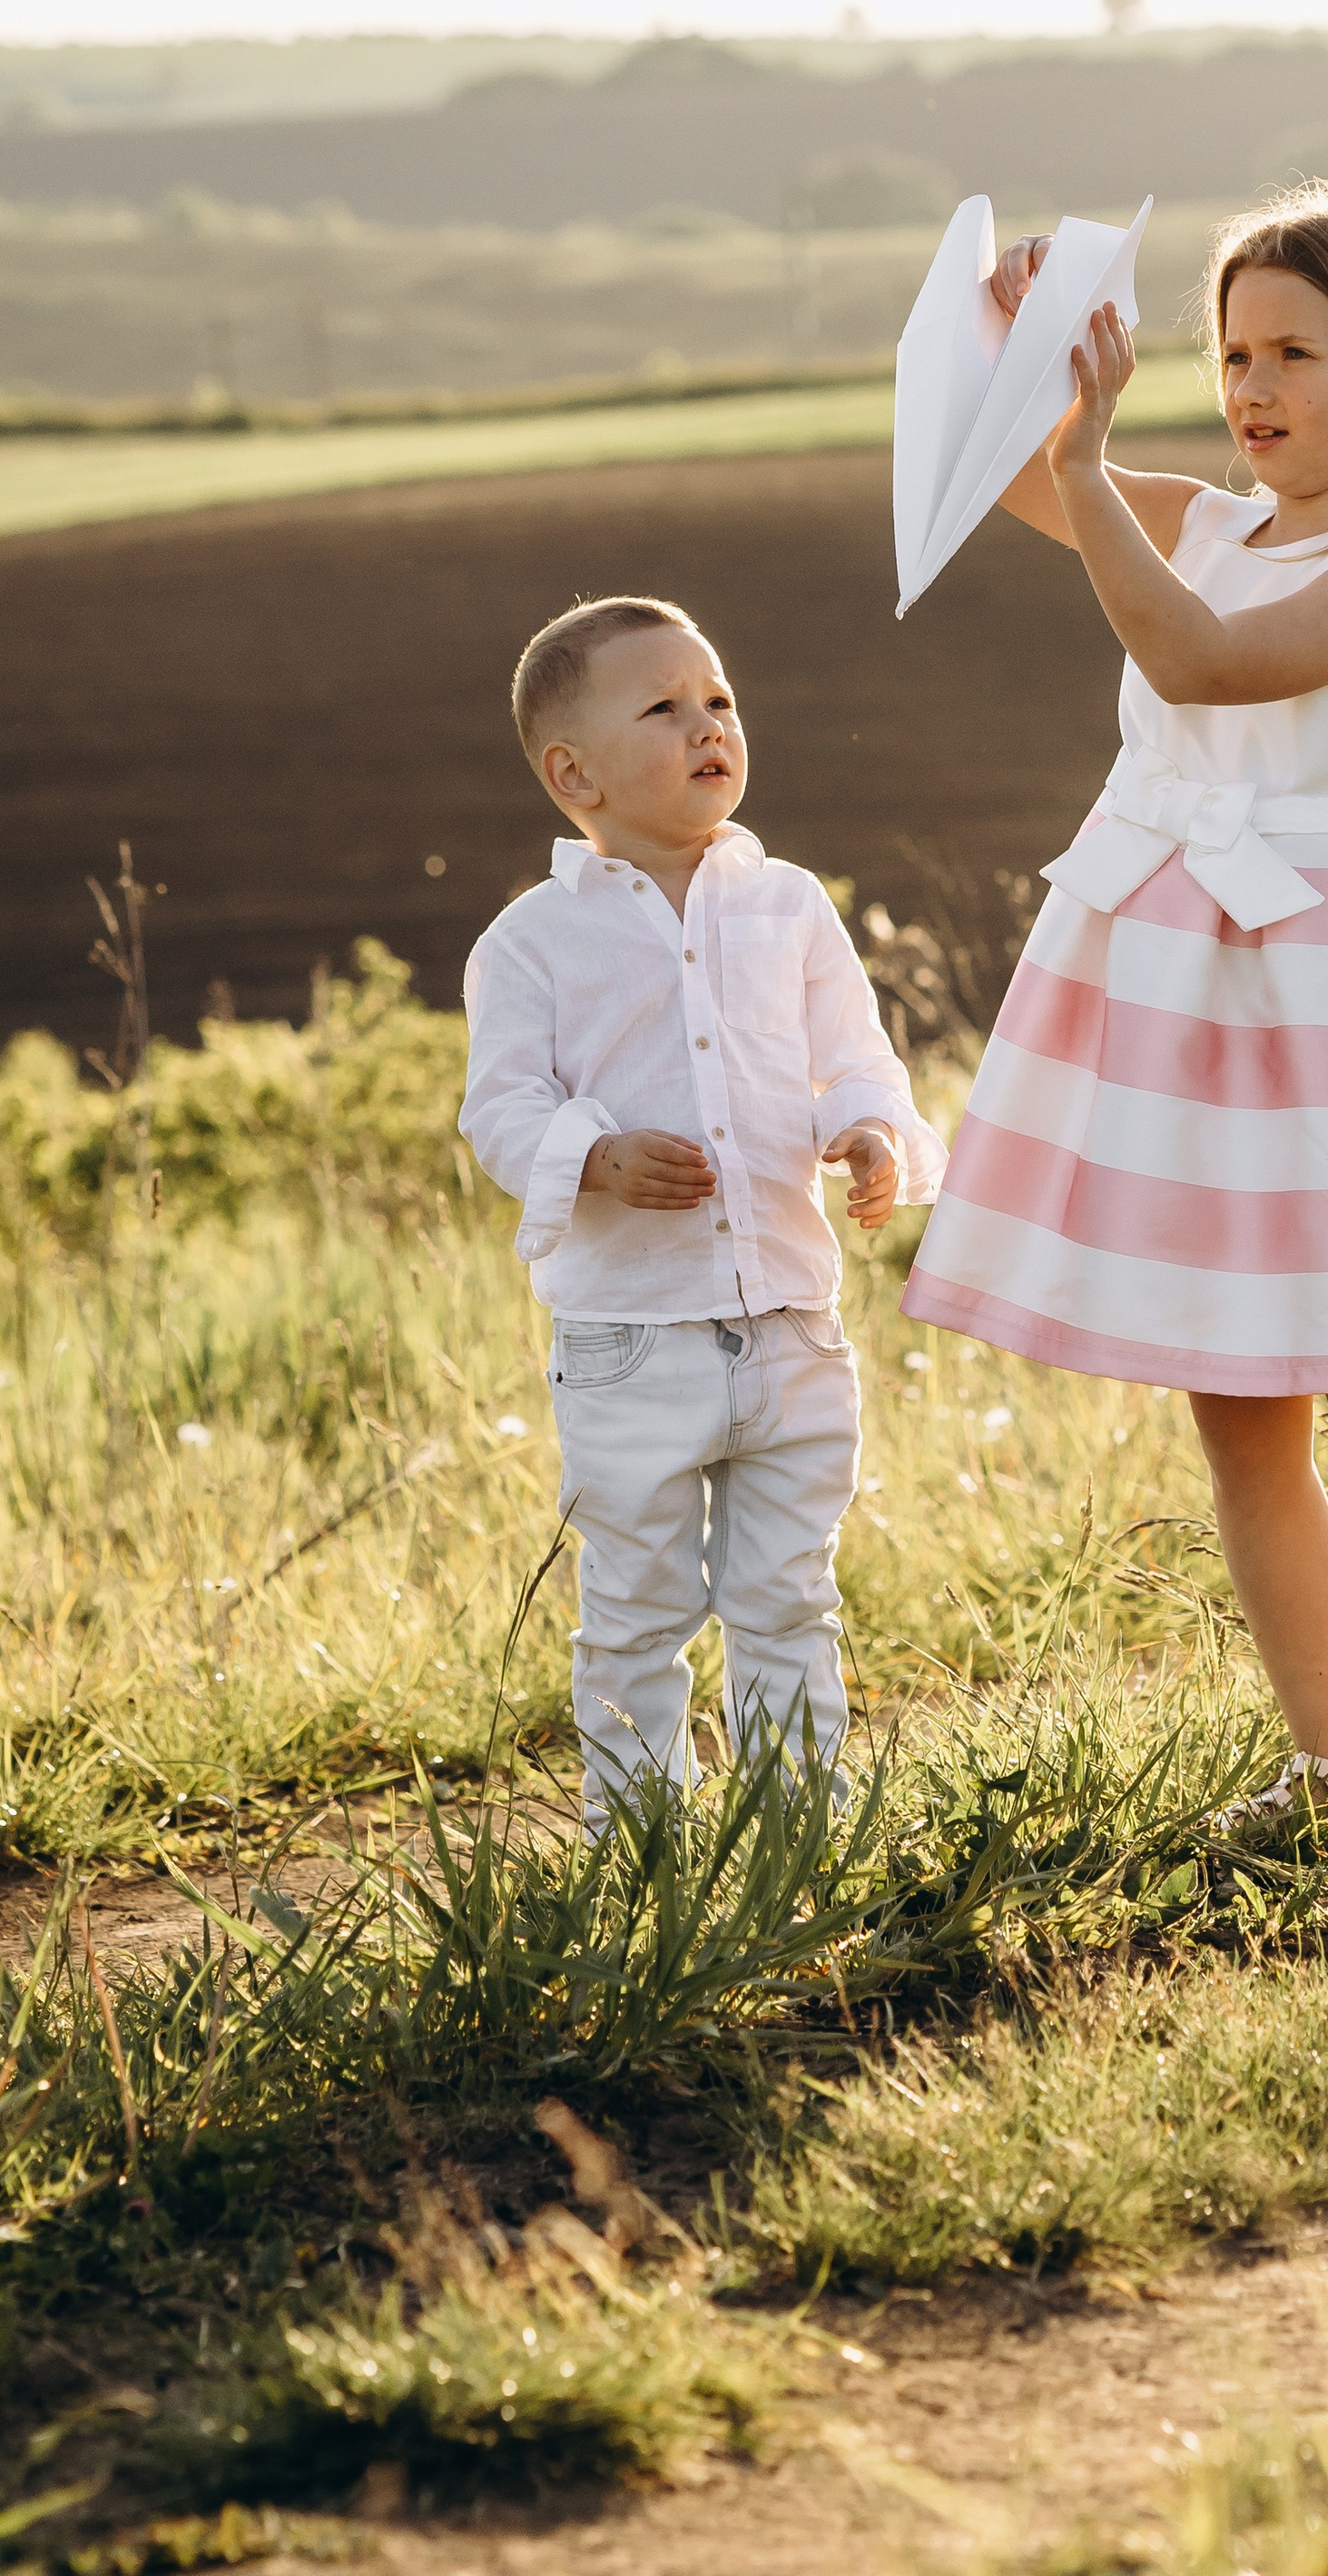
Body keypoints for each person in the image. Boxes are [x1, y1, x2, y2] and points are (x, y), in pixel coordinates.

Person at [901, 187, 1328, 1930]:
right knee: (1241, 1416)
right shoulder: (1215, 521)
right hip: (1196, 1015)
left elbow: (1197, 663)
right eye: (1232, 354)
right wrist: (1015, 344)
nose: (1252, 386)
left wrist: (1084, 461)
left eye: (1296, 352)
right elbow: (992, 475)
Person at [459, 594, 943, 1827]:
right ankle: (645, 1848)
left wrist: (874, 1133)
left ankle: (798, 1836)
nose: (707, 723)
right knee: (636, 1609)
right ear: (575, 772)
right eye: (664, 707)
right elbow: (501, 1112)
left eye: (719, 699)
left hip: (788, 1318)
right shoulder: (532, 942)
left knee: (787, 1596)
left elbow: (858, 1061)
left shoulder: (789, 907)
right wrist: (597, 1156)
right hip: (631, 1339)